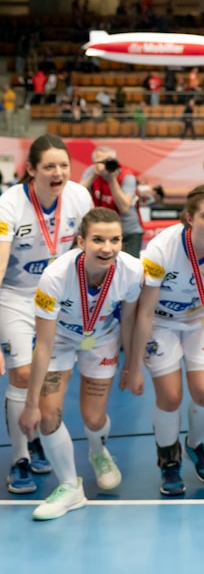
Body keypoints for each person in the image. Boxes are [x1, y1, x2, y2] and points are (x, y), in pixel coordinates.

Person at [18, 208, 142, 519]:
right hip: (59, 339)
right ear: (81, 242)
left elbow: (129, 319)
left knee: (93, 418)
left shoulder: (131, 270)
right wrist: (31, 403)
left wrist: (132, 365)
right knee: (47, 416)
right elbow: (44, 344)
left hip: (102, 338)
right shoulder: (55, 277)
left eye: (115, 240)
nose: (107, 248)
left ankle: (98, 451)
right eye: (98, 239)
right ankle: (70, 487)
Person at [128, 185, 204, 496]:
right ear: (189, 218)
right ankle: (168, 459)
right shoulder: (162, 249)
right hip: (161, 324)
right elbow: (145, 311)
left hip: (200, 322)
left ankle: (194, 444)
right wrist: (134, 366)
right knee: (171, 398)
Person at [0, 135, 94, 494]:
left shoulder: (79, 197)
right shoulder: (9, 205)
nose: (59, 173)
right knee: (22, 374)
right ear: (31, 171)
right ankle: (20, 458)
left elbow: (89, 248)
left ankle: (37, 437)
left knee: (51, 377)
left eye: (64, 165)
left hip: (56, 295)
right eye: (50, 167)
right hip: (16, 295)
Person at [79, 146, 144, 257]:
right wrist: (93, 175)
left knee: (129, 269)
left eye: (109, 161)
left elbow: (124, 207)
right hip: (102, 230)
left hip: (128, 231)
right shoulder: (91, 172)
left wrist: (112, 180)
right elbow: (77, 195)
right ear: (94, 163)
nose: (106, 165)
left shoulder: (126, 175)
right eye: (101, 162)